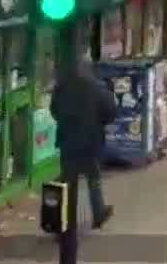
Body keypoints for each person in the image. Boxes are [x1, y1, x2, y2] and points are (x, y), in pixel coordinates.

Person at [50, 57, 117, 231]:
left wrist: (65, 123)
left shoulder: (62, 87)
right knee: (93, 177)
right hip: (90, 140)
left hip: (68, 141)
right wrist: (99, 122)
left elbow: (54, 109)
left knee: (67, 179)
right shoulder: (97, 87)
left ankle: (63, 222)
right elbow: (110, 111)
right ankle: (98, 213)